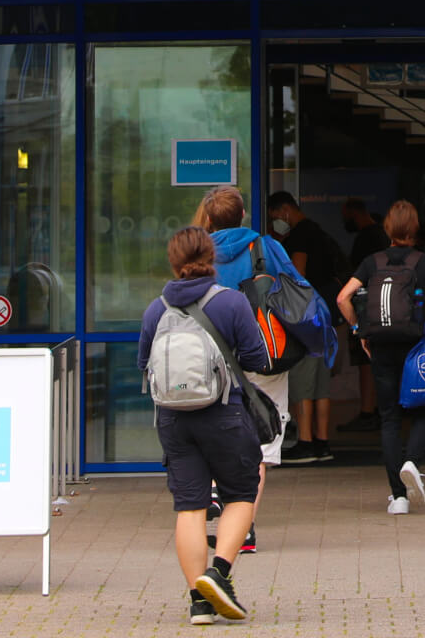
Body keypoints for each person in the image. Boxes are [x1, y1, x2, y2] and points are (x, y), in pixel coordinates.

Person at [138, 226, 269, 625]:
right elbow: (258, 358)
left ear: (173, 261)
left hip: (174, 421)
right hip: (224, 414)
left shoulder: (156, 309)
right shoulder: (230, 303)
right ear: (210, 258)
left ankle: (199, 602)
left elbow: (144, 365)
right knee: (242, 493)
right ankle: (220, 573)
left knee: (190, 507)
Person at [334, 199, 425, 514]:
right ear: (415, 230)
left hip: (381, 345)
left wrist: (359, 330)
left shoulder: (372, 262)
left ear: (387, 228)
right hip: (416, 345)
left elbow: (342, 297)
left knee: (389, 417)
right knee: (421, 410)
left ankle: (398, 497)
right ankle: (412, 462)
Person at [194, 186, 293, 554]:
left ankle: (218, 492)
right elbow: (297, 290)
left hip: (214, 356)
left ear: (209, 218)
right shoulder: (266, 247)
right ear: (244, 215)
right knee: (262, 439)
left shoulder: (199, 252)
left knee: (218, 429)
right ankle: (245, 530)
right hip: (264, 353)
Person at [268, 191, 343, 464]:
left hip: (306, 318)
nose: (274, 222)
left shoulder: (300, 235)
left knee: (303, 383)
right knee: (322, 385)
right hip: (325, 316)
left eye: (275, 217)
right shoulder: (319, 232)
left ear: (285, 210)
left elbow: (296, 276)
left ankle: (306, 443)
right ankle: (322, 442)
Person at [337, 198, 390, 434]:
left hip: (365, 306)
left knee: (365, 359)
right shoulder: (381, 235)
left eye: (345, 214)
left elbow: (351, 284)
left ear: (353, 213)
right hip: (385, 305)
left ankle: (368, 411)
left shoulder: (366, 239)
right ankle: (380, 409)